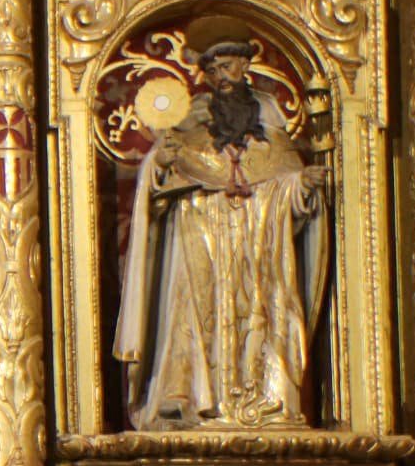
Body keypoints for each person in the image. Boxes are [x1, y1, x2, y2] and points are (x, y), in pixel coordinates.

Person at [115, 33, 329, 430]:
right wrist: (160, 165)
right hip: (199, 230)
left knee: (264, 310)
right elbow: (160, 185)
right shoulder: (192, 118)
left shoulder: (267, 117)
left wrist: (300, 185)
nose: (221, 77)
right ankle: (191, 396)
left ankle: (267, 398)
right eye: (212, 71)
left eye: (227, 67)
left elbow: (282, 179)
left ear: (245, 66)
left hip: (258, 236)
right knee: (192, 312)